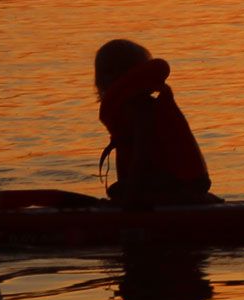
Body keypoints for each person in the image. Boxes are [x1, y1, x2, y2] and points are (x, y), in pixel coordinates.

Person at [93, 38, 219, 208]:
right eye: (106, 72)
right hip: (178, 181)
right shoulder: (128, 106)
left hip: (180, 182)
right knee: (118, 190)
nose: (111, 78)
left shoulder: (140, 108)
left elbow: (141, 152)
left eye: (115, 71)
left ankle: (185, 198)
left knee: (120, 190)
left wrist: (130, 197)